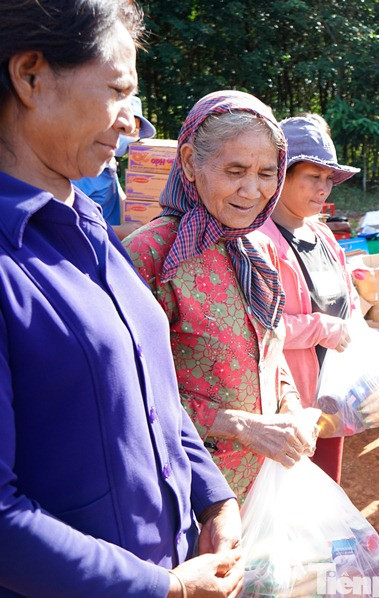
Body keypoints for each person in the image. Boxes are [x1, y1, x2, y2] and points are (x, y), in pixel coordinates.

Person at [0, 2, 244, 597]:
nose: (133, 121)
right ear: (31, 76)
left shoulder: (91, 229)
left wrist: (212, 496)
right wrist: (160, 588)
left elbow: (149, 386)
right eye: (117, 90)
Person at [124, 91, 317, 504]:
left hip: (262, 482)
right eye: (235, 170)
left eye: (267, 173)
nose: (252, 190)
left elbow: (269, 350)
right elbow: (130, 389)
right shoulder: (150, 255)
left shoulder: (257, 250)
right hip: (186, 488)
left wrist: (291, 407)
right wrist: (239, 425)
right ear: (192, 163)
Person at [258, 115, 362, 483]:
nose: (323, 188)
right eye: (312, 177)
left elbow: (346, 297)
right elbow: (257, 327)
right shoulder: (259, 241)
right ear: (281, 175)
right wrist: (320, 327)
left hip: (329, 397)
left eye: (328, 179)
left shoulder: (324, 236)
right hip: (286, 404)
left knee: (325, 493)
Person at [72, 94, 156, 240]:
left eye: (136, 129)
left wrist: (145, 206)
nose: (131, 134)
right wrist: (118, 231)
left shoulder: (109, 162)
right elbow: (73, 224)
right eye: (123, 127)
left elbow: (117, 195)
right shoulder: (82, 170)